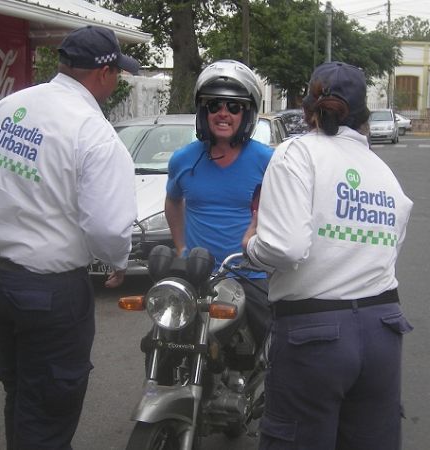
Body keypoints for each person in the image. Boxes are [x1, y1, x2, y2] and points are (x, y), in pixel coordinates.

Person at [0, 25, 138, 450]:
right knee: (47, 410)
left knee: (22, 394)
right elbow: (108, 229)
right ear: (103, 73)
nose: (117, 80)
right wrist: (116, 261)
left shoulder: (8, 107)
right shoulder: (94, 133)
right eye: (117, 72)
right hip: (47, 291)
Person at [242, 61, 414, 450]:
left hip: (314, 335)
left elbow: (284, 248)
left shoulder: (296, 154)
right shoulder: (383, 172)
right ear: (362, 115)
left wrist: (251, 243)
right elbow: (388, 248)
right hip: (383, 330)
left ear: (308, 109)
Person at [165, 59, 273, 349]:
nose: (223, 113)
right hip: (199, 273)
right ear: (203, 112)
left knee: (274, 347)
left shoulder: (267, 161)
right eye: (214, 105)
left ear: (246, 113)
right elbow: (173, 201)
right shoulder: (183, 159)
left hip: (250, 273)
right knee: (165, 339)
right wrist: (180, 248)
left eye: (234, 106)